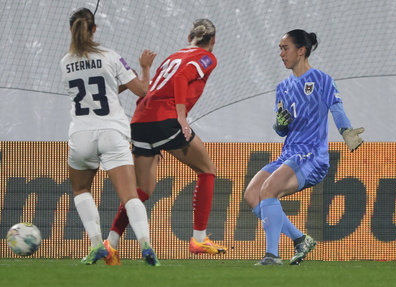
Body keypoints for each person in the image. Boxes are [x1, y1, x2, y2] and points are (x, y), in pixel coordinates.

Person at [102, 19, 228, 264]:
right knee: (207, 170)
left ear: (188, 36)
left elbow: (151, 89)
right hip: (166, 119)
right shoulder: (206, 57)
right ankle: (199, 238)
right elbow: (181, 79)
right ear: (212, 40)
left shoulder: (172, 56)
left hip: (140, 122)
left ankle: (111, 242)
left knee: (142, 190)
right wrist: (181, 116)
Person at [244, 29, 364, 266]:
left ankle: (271, 256)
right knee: (251, 195)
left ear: (301, 50)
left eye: (285, 48)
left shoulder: (321, 79)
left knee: (268, 191)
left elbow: (336, 109)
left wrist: (346, 132)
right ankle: (300, 239)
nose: (281, 53)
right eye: (280, 48)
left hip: (312, 155)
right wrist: (279, 124)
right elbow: (281, 130)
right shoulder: (283, 87)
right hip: (289, 154)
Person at [60, 7, 160, 266]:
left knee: (81, 189)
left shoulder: (65, 61)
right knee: (129, 195)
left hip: (81, 133)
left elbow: (96, 91)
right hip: (112, 132)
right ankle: (145, 244)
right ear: (95, 29)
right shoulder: (110, 56)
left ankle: (96, 245)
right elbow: (143, 91)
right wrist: (145, 68)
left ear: (72, 30)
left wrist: (120, 83)